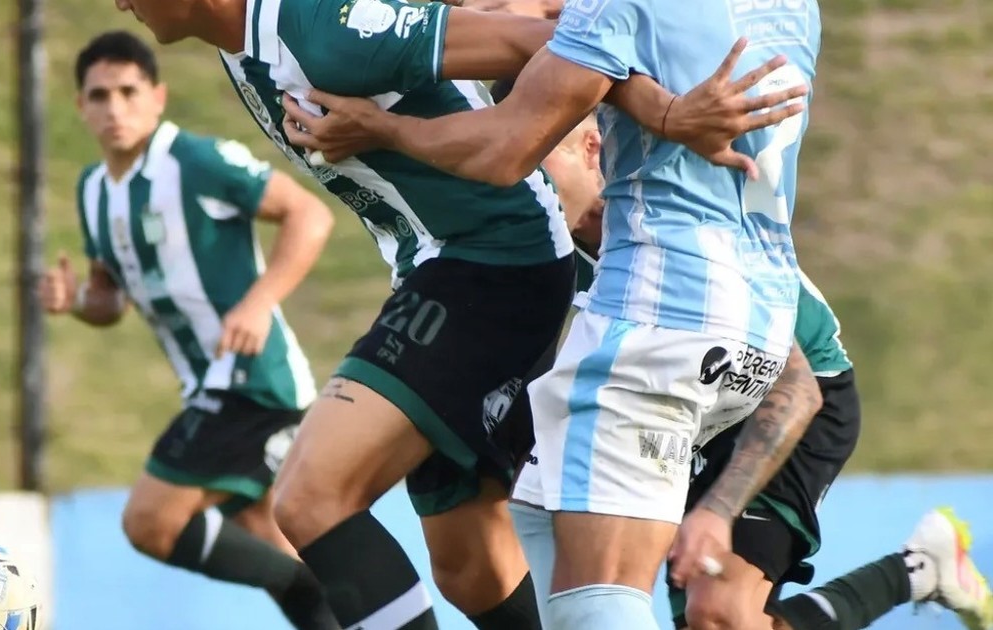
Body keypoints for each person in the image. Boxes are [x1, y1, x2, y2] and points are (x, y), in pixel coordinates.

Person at [112, 0, 801, 627]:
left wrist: (667, 115)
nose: (119, 3)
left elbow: (547, 41)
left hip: (493, 260)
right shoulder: (244, 45)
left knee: (311, 497)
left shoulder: (322, 32)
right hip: (454, 266)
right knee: (471, 569)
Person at [505, 105, 993, 630]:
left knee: (716, 614)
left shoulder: (669, 226)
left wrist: (717, 511)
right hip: (690, 410)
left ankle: (913, 572)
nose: (520, 182)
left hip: (789, 396)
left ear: (591, 149)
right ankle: (920, 568)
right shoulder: (552, 246)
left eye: (534, 162)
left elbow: (796, 389)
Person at [38, 31, 338, 630]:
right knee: (277, 550)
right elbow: (112, 299)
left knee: (149, 520)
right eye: (99, 95)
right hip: (209, 391)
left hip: (252, 384)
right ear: (80, 107)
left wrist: (258, 304)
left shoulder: (196, 162)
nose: (115, 108)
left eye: (129, 92)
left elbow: (309, 214)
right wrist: (78, 302)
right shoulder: (93, 191)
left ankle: (308, 585)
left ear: (158, 97)